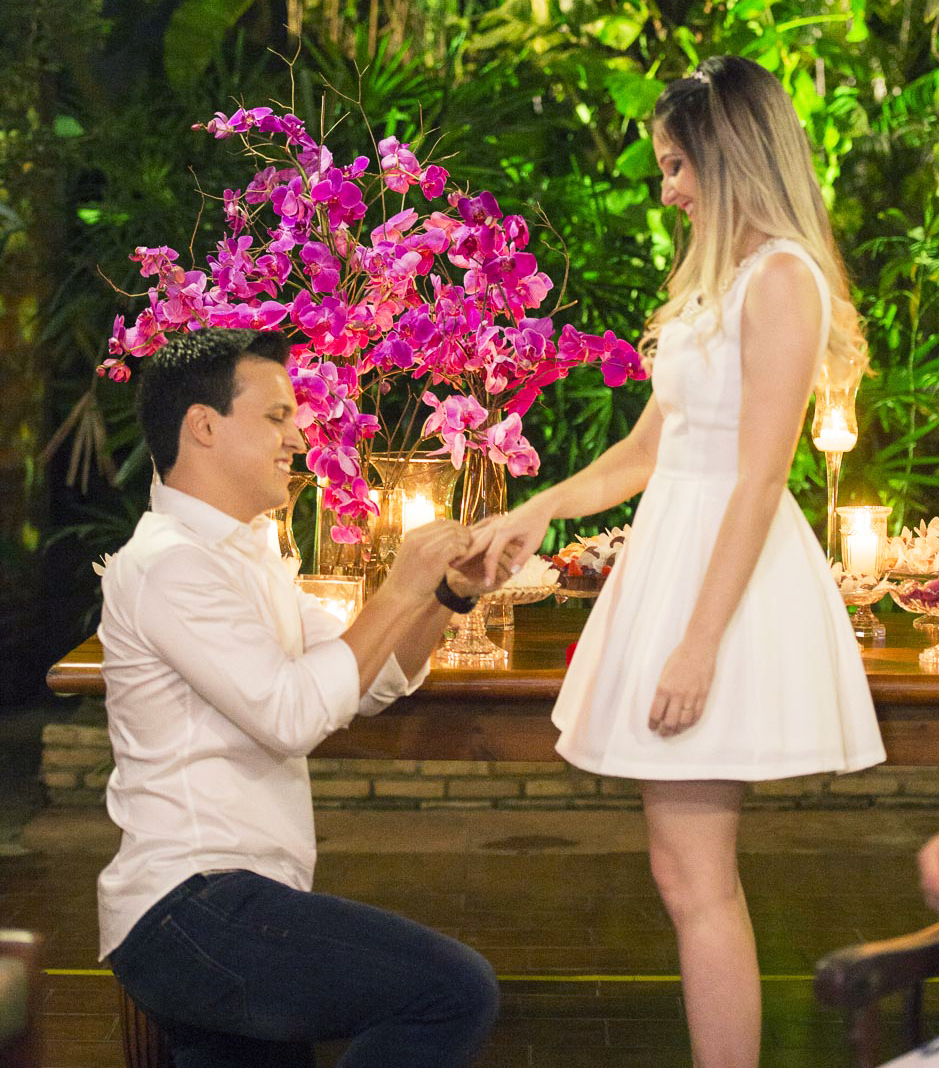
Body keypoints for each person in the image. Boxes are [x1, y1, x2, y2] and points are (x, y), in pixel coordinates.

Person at [472, 55, 887, 1068]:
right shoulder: (716, 283)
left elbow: (760, 476)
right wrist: (540, 508)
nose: (666, 190)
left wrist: (699, 643)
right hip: (678, 561)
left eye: (675, 166)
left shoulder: (780, 279)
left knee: (696, 876)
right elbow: (647, 451)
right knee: (682, 872)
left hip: (722, 586)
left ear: (729, 155)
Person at [97, 327, 509, 1068]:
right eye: (277, 416)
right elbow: (292, 715)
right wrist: (398, 587)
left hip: (231, 900)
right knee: (451, 990)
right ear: (203, 426)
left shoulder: (245, 555)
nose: (297, 437)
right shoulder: (170, 564)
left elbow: (370, 678)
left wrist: (444, 595)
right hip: (189, 906)